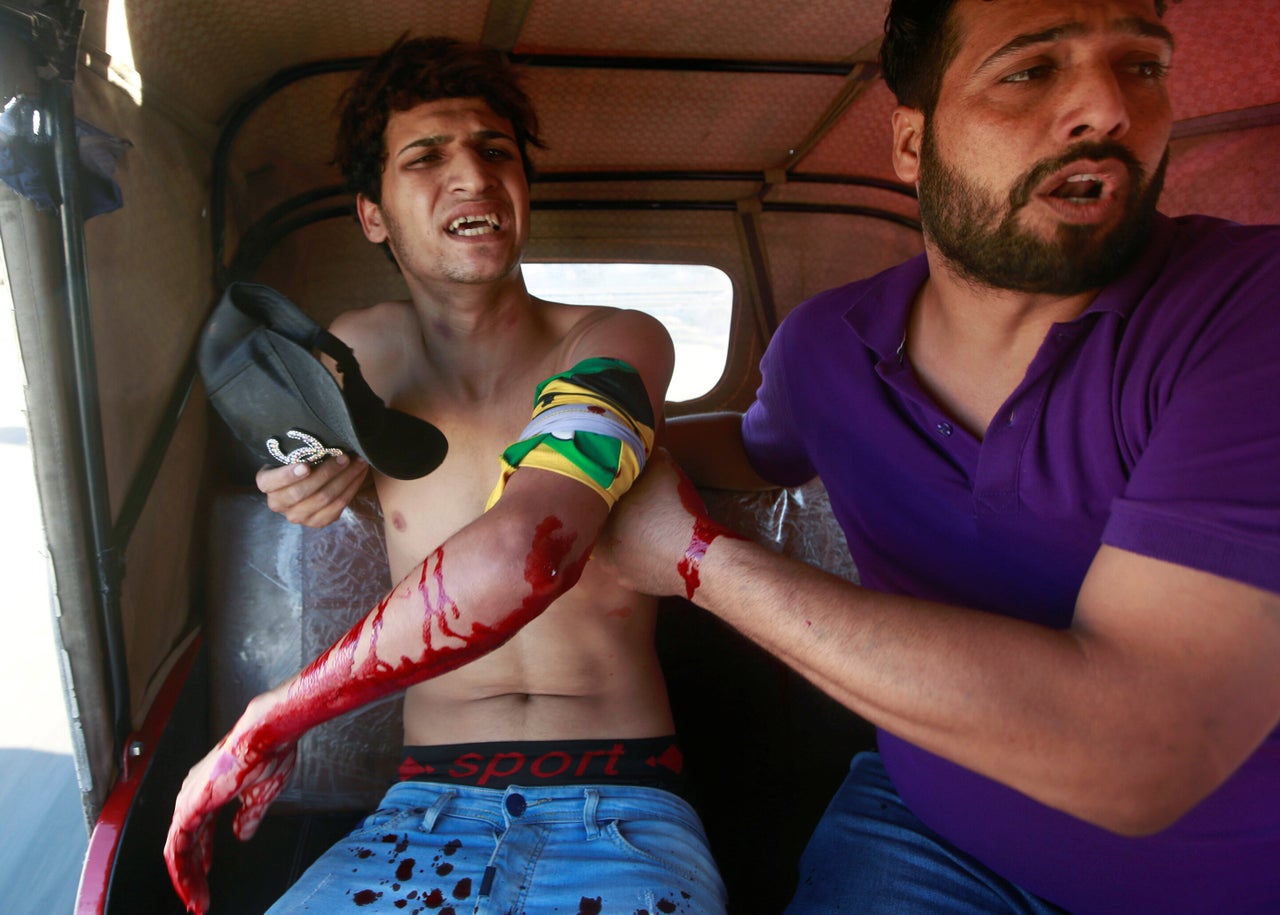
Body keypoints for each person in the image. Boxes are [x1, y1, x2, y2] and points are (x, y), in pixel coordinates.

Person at [593, 1, 1280, 912]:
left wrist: (692, 560)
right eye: (1032, 70)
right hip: (925, 818)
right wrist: (567, 446)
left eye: (1141, 66)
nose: (1108, 108)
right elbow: (754, 451)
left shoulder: (1248, 311)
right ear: (912, 146)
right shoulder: (823, 349)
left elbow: (1145, 754)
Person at [165, 36, 727, 915]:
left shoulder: (620, 339)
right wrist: (307, 473)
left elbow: (528, 550)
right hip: (420, 810)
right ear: (373, 215)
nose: (472, 174)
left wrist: (272, 714)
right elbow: (290, 440)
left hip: (620, 808)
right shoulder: (360, 353)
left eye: (496, 151)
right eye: (425, 157)